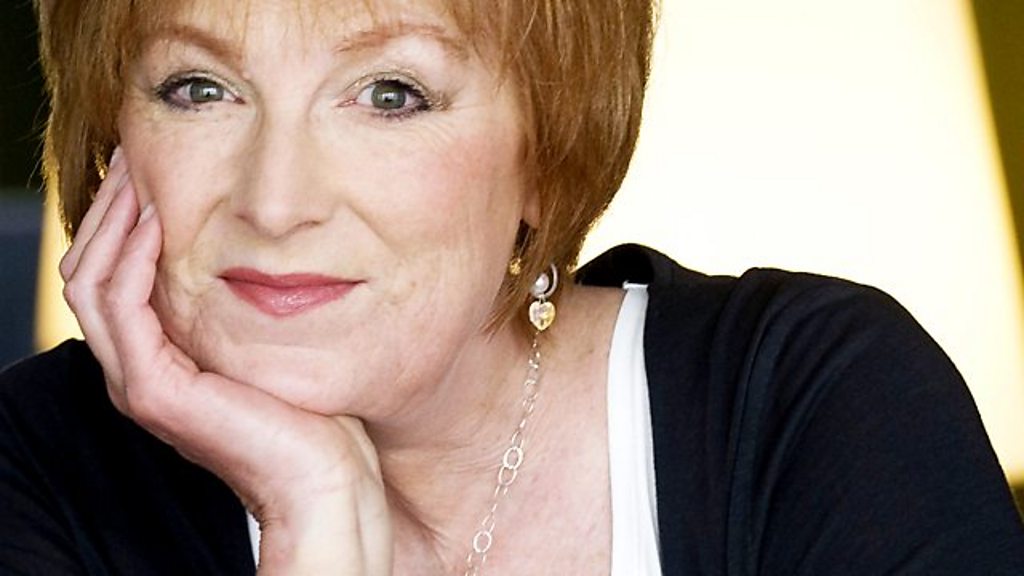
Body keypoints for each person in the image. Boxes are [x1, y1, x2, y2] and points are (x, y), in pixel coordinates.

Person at [2, 0, 1023, 573]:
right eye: (200, 88)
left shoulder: (820, 402)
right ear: (113, 136)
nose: (276, 202)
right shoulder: (34, 470)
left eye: (390, 94)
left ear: (545, 150)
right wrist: (314, 514)